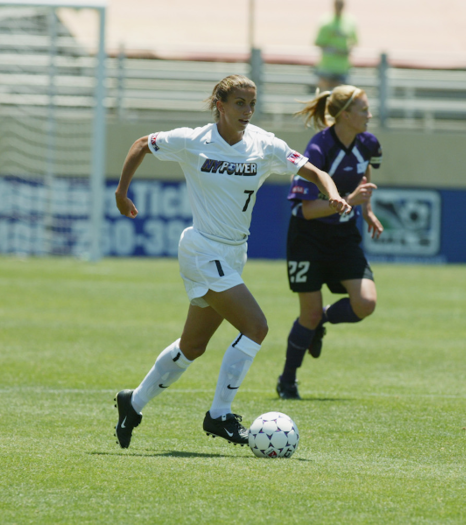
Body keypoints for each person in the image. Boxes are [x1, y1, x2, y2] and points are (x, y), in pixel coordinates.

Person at [113, 74, 351, 449]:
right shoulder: (194, 141)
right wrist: (121, 192)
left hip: (233, 254)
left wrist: (334, 194)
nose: (248, 111)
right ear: (220, 106)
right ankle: (219, 416)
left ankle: (133, 402)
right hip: (201, 249)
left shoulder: (265, 145)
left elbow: (315, 171)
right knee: (256, 327)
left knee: (192, 345)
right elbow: (143, 143)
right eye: (240, 103)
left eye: (252, 104)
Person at [276, 85, 384, 400]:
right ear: (345, 115)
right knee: (305, 316)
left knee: (365, 303)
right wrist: (350, 200)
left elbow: (363, 178)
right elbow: (304, 209)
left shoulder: (369, 144)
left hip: (343, 235)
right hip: (308, 237)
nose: (370, 115)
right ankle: (287, 381)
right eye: (364, 110)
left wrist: (366, 209)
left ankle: (321, 320)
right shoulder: (319, 149)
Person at [314, 0, 359, 92]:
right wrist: (333, 50)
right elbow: (318, 42)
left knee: (340, 98)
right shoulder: (326, 21)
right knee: (324, 96)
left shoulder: (350, 22)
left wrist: (348, 50)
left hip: (343, 67)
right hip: (327, 66)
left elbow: (355, 41)